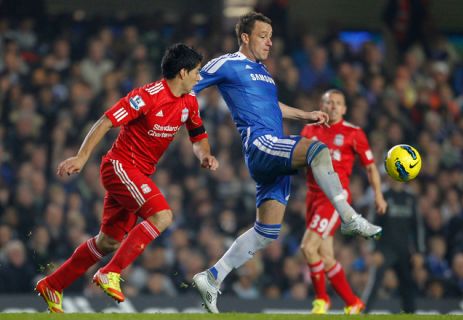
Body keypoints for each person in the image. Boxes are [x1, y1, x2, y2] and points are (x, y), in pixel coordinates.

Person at [191, 12, 382, 313]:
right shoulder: (228, 63)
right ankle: (348, 216)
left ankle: (212, 277)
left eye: (271, 35)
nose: (270, 41)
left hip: (274, 152)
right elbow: (190, 83)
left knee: (267, 232)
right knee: (317, 149)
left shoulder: (263, 72)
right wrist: (184, 121)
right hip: (261, 144)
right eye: (263, 35)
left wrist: (304, 115)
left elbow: (272, 106)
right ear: (245, 37)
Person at [34, 43, 218, 313]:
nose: (199, 78)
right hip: (120, 166)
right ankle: (111, 273)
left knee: (107, 241)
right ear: (182, 72)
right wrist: (81, 158)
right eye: (197, 72)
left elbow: (198, 137)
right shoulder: (147, 96)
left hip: (136, 174)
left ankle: (53, 284)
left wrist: (204, 155)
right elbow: (106, 121)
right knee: (163, 216)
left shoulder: (190, 102)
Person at [300, 89, 388, 315]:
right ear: (322, 105)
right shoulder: (309, 129)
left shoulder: (354, 133)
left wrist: (378, 195)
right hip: (312, 196)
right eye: (329, 103)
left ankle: (321, 300)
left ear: (345, 109)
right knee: (326, 257)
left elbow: (370, 167)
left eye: (338, 103)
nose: (333, 106)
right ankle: (353, 302)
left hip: (334, 198)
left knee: (308, 247)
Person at [362, 178, 425, 313]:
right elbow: (372, 223)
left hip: (404, 250)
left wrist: (419, 252)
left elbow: (417, 227)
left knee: (407, 285)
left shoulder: (411, 198)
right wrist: (374, 250)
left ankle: (410, 314)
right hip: (385, 250)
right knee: (374, 283)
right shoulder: (382, 196)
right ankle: (363, 313)